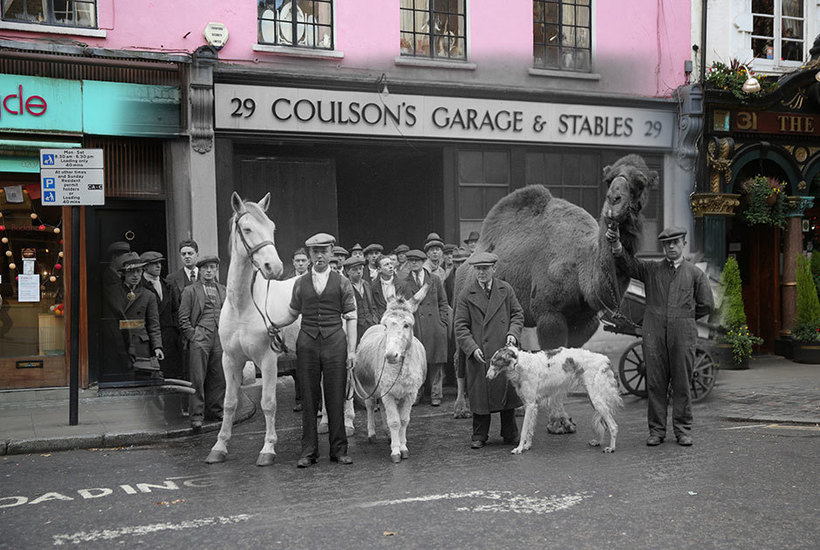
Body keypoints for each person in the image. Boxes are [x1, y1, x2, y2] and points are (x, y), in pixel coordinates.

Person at [607, 225, 714, 447]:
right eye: (667, 244)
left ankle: (683, 430)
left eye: (675, 243)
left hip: (683, 333)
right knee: (655, 383)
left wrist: (683, 317)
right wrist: (616, 245)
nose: (671, 247)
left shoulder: (695, 274)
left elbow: (706, 305)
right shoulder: (651, 270)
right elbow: (629, 265)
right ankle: (656, 431)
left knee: (683, 383)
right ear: (663, 247)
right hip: (653, 332)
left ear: (683, 243)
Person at [279, 233, 357, 468]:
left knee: (335, 397)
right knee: (309, 399)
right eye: (315, 252)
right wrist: (275, 325)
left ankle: (339, 449)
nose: (320, 256)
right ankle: (308, 451)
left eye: (324, 251)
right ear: (309, 255)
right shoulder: (299, 283)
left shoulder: (342, 282)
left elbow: (351, 317)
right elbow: (292, 313)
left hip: (335, 343)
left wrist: (352, 351)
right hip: (308, 343)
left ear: (332, 252)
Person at [454, 252, 524, 449]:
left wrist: (513, 333)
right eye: (478, 269)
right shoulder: (466, 294)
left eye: (486, 268)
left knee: (507, 392)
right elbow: (460, 326)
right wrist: (472, 347)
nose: (482, 273)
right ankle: (479, 434)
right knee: (480, 396)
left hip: (504, 351)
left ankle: (510, 433)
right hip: (480, 354)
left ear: (494, 269)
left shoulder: (505, 289)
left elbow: (518, 313)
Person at [178, 255, 227, 431]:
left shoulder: (223, 290)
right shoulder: (190, 290)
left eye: (212, 267)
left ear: (216, 270)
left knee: (219, 375)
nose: (209, 271)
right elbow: (183, 317)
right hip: (200, 337)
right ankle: (197, 415)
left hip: (219, 337)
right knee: (197, 377)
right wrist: (193, 335)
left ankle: (215, 410)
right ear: (200, 270)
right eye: (205, 268)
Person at [399, 249, 450, 406]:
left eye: (418, 260)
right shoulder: (404, 283)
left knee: (436, 361)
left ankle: (436, 394)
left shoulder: (434, 280)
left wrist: (443, 322)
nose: (414, 263)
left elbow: (443, 302)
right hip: (417, 327)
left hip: (435, 326)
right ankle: (417, 392)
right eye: (411, 260)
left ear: (423, 262)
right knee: (416, 361)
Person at [112, 252, 164, 377]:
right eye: (131, 271)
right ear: (123, 273)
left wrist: (157, 347)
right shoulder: (113, 293)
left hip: (140, 345)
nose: (135, 275)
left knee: (141, 378)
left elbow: (153, 325)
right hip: (118, 343)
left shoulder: (148, 295)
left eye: (138, 271)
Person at [140, 251, 182, 380]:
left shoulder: (168, 284)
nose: (158, 266)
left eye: (159, 263)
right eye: (154, 264)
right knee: (151, 374)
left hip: (169, 336)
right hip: (147, 337)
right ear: (145, 267)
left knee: (171, 373)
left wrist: (175, 331)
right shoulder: (139, 286)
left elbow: (176, 309)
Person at [344, 256, 379, 343]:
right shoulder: (345, 287)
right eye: (355, 269)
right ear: (348, 272)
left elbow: (373, 304)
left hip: (370, 324)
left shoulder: (366, 284)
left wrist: (374, 318)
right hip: (355, 327)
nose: (359, 272)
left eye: (360, 269)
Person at [371, 255, 397, 320]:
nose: (391, 266)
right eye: (386, 265)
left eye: (391, 263)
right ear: (379, 269)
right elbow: (374, 307)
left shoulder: (403, 284)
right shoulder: (373, 287)